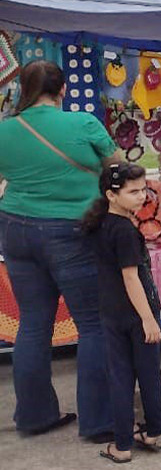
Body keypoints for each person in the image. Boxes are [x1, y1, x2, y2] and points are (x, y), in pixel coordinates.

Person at [0, 60, 119, 441]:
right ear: (64, 89)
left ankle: (34, 417)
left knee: (33, 324)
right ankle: (99, 422)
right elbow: (115, 168)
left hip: (15, 228)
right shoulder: (82, 124)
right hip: (72, 230)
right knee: (93, 325)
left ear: (23, 89)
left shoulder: (5, 130)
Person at [83, 163, 161, 463]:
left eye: (143, 189)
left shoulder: (101, 222)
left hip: (112, 310)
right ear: (111, 194)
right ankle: (152, 431)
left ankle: (122, 444)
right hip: (136, 312)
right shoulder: (124, 231)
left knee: (120, 378)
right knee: (148, 373)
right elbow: (131, 277)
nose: (141, 196)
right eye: (133, 191)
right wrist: (147, 318)